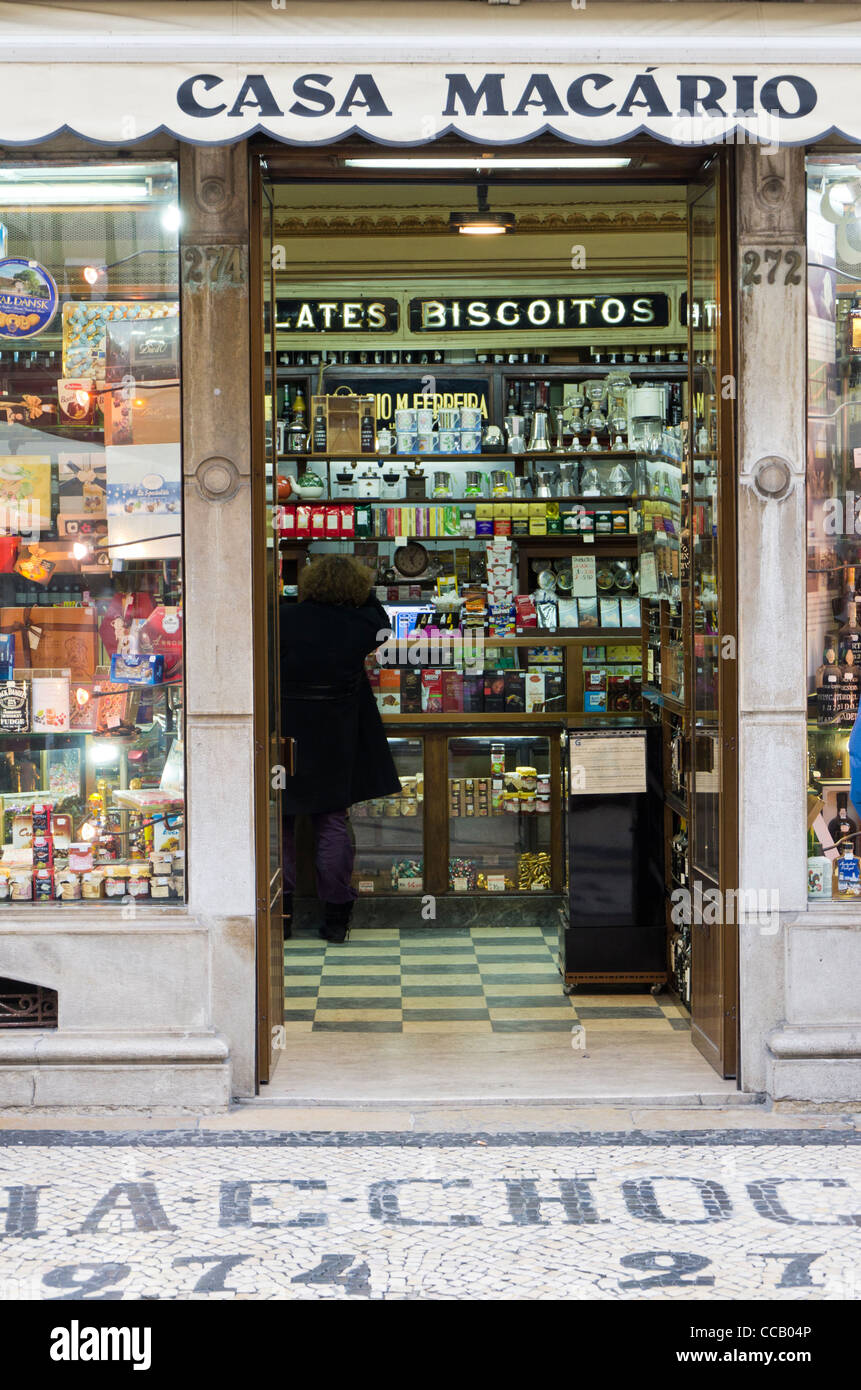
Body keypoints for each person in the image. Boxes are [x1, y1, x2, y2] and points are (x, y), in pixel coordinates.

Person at [279, 554, 400, 942]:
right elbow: (384, 623)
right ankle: (335, 919)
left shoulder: (283, 617)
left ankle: (280, 916)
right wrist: (362, 595)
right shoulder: (361, 622)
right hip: (336, 735)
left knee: (278, 825)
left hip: (285, 735)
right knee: (331, 822)